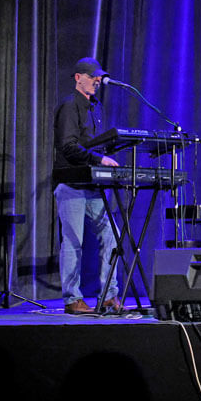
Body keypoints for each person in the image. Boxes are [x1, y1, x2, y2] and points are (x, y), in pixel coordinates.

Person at [52, 57, 123, 314]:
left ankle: (108, 296)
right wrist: (99, 159)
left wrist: (115, 146)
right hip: (71, 183)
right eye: (92, 76)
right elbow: (68, 146)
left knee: (112, 236)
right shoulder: (69, 106)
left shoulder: (96, 107)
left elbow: (95, 144)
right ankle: (72, 299)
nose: (97, 81)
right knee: (73, 242)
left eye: (99, 77)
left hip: (92, 184)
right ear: (78, 77)